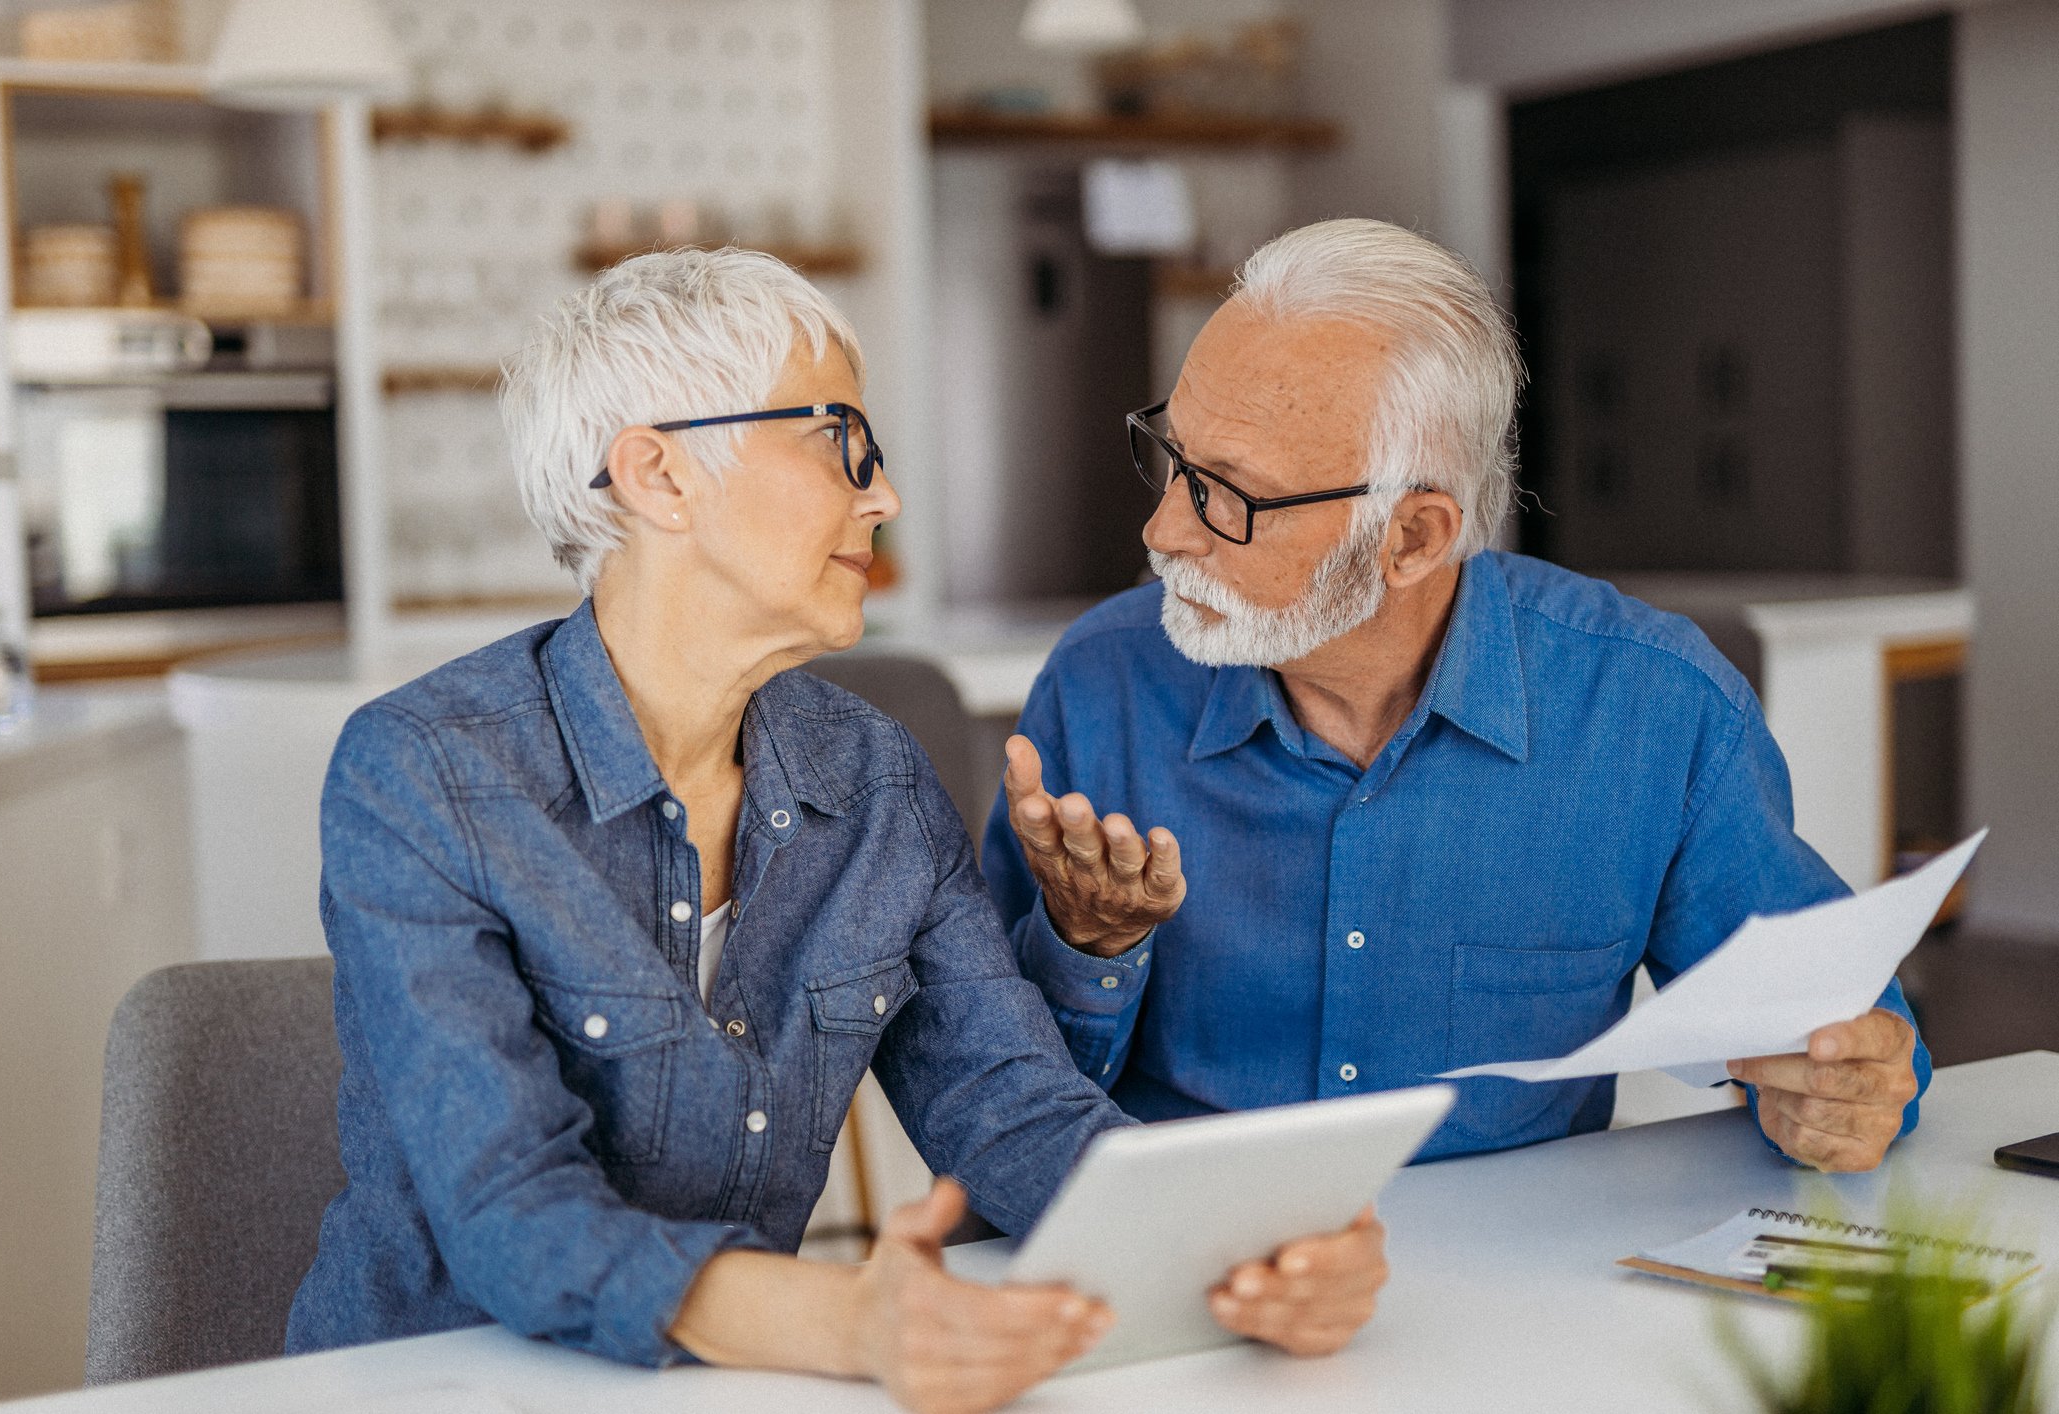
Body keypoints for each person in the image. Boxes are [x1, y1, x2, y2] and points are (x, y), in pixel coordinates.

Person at [285, 249, 1388, 1414]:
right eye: (840, 444)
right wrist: (851, 1318)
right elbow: (513, 1208)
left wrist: (1249, 1249)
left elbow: (1009, 1104)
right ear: (657, 476)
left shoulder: (872, 778)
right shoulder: (424, 771)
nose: (884, 496)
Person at [983, 218, 1929, 1174]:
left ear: (1412, 539)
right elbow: (994, 1093)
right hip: (1173, 1261)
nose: (1163, 529)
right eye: (1171, 458)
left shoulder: (1654, 712)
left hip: (1516, 1277)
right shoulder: (1101, 684)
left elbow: (1845, 1032)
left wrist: (1847, 1090)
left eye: (1227, 495)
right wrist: (1086, 942)